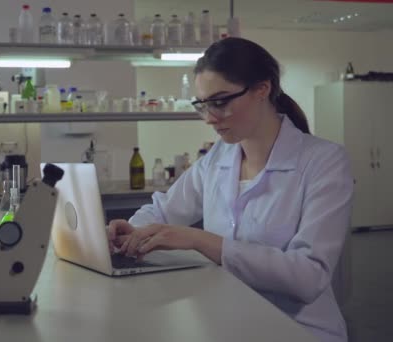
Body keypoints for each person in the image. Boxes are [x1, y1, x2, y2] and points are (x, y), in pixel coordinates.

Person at [107, 37, 352, 342]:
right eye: (203, 105)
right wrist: (129, 231)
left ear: (262, 89)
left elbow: (308, 277)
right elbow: (162, 209)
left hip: (298, 330)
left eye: (220, 102)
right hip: (227, 321)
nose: (210, 117)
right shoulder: (217, 160)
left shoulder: (324, 162)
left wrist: (201, 240)